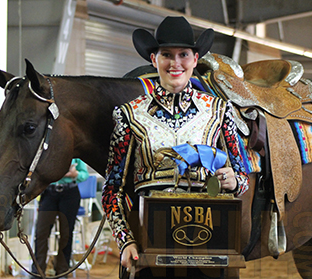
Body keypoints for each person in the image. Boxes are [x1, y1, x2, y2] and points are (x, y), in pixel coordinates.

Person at [101, 16, 249, 279]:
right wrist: (125, 241)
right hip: (147, 247)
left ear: (195, 59)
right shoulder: (129, 115)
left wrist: (233, 181)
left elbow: (242, 176)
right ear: (154, 59)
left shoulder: (220, 111)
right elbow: (113, 189)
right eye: (166, 54)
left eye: (183, 54)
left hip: (208, 243)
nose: (175, 63)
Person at [31, 158, 89, 278]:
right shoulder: (48, 151)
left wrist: (75, 174)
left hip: (70, 193)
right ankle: (37, 271)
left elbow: (85, 174)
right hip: (49, 193)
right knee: (41, 232)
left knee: (66, 234)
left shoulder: (74, 153)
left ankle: (62, 271)